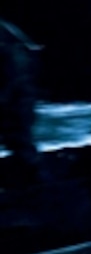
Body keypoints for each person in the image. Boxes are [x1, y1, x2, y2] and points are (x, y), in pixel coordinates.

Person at [0, 19, 42, 183]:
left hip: (17, 94)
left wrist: (7, 93)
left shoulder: (7, 35)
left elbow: (18, 69)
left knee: (19, 138)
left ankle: (36, 178)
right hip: (16, 92)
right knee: (18, 138)